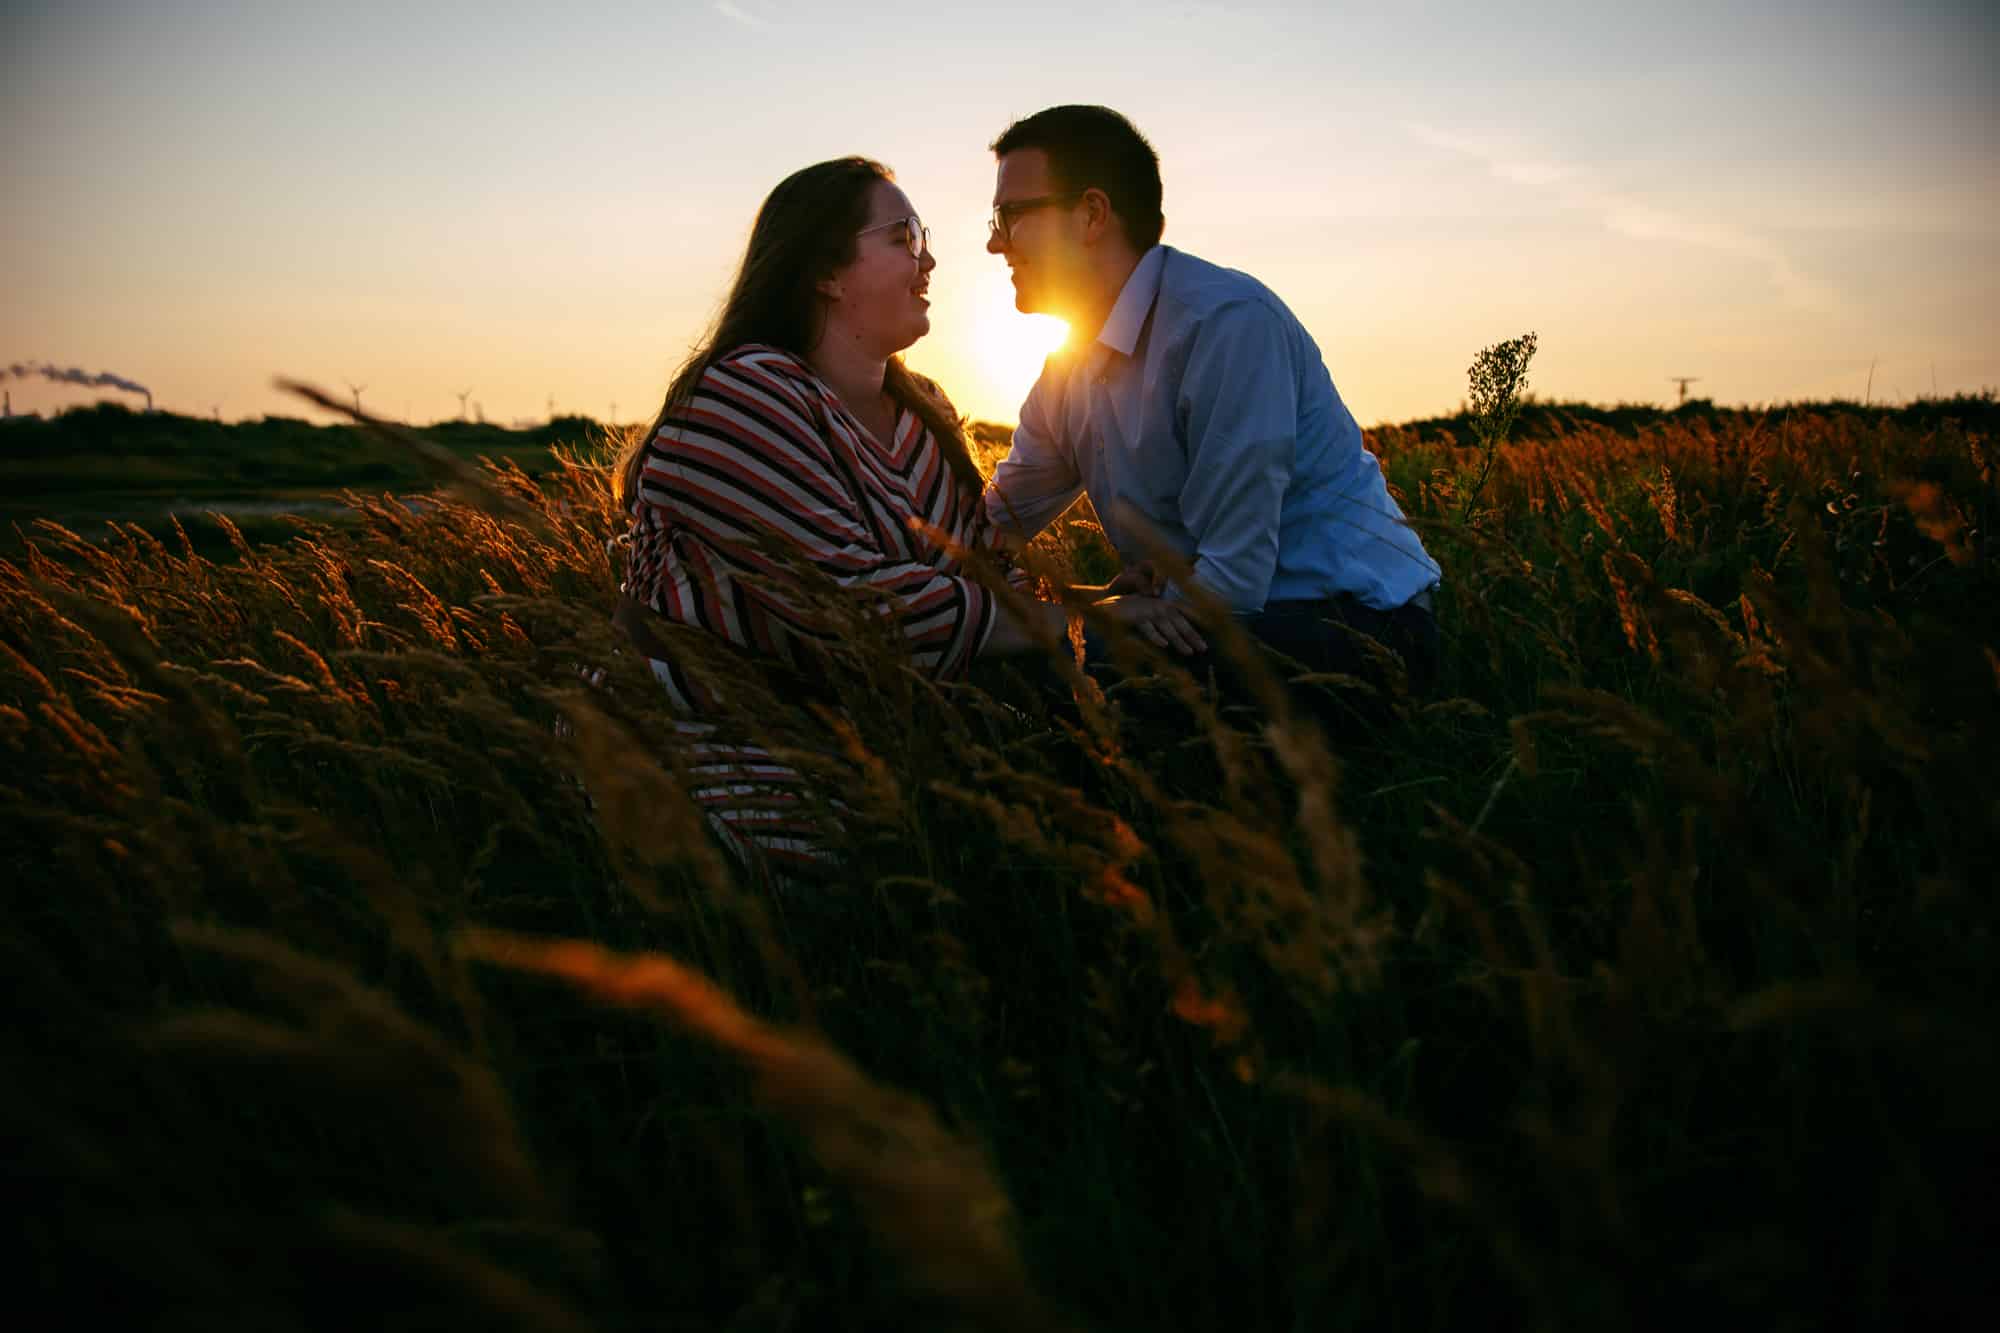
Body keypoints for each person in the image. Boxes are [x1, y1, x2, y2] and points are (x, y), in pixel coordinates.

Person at [615, 156, 1113, 882]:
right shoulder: (742, 394)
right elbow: (855, 609)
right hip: (721, 735)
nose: (931, 260)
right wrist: (1069, 626)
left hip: (874, 730)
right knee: (863, 885)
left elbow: (985, 571)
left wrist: (1105, 608)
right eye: (904, 238)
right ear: (825, 270)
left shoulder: (927, 412)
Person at [980, 106, 1444, 715]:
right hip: (1224, 621)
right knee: (1003, 654)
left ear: (1091, 214)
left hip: (1361, 628)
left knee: (1096, 664)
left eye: (1010, 216)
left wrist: (1148, 600)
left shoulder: (1223, 324)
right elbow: (994, 525)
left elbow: (1234, 575)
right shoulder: (1065, 373)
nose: (994, 242)